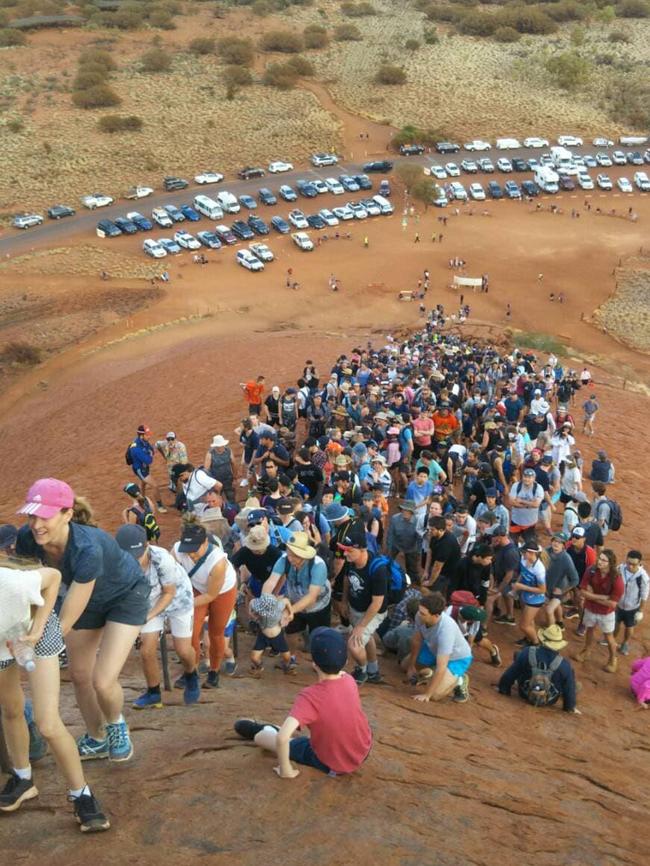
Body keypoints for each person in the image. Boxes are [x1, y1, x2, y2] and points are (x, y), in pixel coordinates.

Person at [16, 479, 150, 763]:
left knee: (102, 681)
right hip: (88, 602)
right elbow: (28, 585)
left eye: (45, 516)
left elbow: (68, 616)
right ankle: (96, 736)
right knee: (79, 676)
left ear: (67, 514)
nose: (37, 524)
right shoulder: (28, 540)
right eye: (32, 515)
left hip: (124, 596)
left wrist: (39, 640)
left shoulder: (88, 547)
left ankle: (115, 723)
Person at [0, 559, 110, 831]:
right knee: (11, 709)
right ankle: (23, 779)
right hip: (3, 639)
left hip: (36, 627)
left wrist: (36, 629)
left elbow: (53, 576)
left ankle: (81, 793)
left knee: (47, 723)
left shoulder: (10, 583)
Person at [233, 627, 372, 777]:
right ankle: (277, 730)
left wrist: (286, 770)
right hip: (363, 750)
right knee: (308, 737)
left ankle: (264, 730)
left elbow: (282, 737)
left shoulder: (310, 697)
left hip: (331, 763)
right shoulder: (350, 681)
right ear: (345, 661)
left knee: (262, 738)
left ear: (314, 664)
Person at [115, 524, 199, 708]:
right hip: (149, 600)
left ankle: (191, 674)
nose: (133, 560)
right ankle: (154, 692)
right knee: (146, 650)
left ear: (146, 546)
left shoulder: (162, 558)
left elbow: (169, 593)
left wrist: (146, 617)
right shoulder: (118, 562)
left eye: (136, 555)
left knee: (183, 649)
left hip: (178, 598)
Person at [172, 523, 238, 690]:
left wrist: (183, 603)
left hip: (222, 592)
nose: (191, 554)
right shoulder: (177, 551)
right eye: (188, 549)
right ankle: (190, 671)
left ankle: (214, 671)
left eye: (195, 549)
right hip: (196, 587)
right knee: (191, 632)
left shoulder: (218, 563)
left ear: (205, 544)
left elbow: (211, 595)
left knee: (216, 633)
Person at [263, 532, 331, 657]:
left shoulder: (318, 565)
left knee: (319, 635)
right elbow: (271, 581)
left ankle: (320, 662)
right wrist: (264, 601)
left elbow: (311, 597)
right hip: (294, 600)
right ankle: (291, 657)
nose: (291, 558)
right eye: (289, 554)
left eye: (295, 556)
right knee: (291, 633)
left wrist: (290, 611)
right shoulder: (284, 560)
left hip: (318, 606)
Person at [338, 520, 390, 685]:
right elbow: (347, 579)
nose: (345, 554)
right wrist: (344, 601)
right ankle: (373, 671)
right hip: (356, 607)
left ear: (362, 550)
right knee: (365, 639)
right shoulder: (352, 561)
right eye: (344, 550)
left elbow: (377, 603)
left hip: (373, 612)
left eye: (349, 551)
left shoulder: (377, 569)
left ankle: (362, 670)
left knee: (354, 644)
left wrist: (361, 626)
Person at [406, 593, 473, 703]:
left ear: (436, 615)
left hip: (455, 658)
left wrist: (427, 694)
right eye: (419, 610)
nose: (419, 614)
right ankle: (431, 672)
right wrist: (411, 666)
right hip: (434, 649)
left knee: (435, 695)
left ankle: (459, 680)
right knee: (405, 665)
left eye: (423, 613)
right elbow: (416, 640)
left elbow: (442, 666)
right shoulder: (420, 615)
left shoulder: (446, 630)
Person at [498, 624, 579, 713]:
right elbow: (569, 690)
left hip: (524, 693)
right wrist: (569, 707)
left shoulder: (528, 651)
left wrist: (503, 689)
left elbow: (510, 674)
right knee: (569, 677)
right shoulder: (564, 664)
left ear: (542, 639)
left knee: (519, 656)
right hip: (549, 700)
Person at [576, 549, 623, 673]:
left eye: (603, 560)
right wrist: (602, 597)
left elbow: (612, 603)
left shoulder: (617, 580)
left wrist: (591, 596)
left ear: (610, 563)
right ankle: (587, 650)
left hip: (606, 613)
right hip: (590, 608)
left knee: (608, 636)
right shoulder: (591, 570)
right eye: (599, 558)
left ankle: (613, 658)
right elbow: (582, 591)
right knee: (589, 629)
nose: (599, 562)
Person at [248, 593, 295, 677]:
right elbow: (251, 602)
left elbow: (287, 601)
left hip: (277, 636)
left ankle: (286, 667)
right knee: (254, 658)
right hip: (263, 635)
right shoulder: (257, 604)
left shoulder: (278, 606)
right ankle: (259, 666)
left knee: (287, 657)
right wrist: (250, 614)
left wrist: (291, 613)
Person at [614, 550, 648, 656]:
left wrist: (640, 611)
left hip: (632, 607)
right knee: (615, 623)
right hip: (618, 604)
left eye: (634, 564)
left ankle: (625, 643)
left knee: (629, 627)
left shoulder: (643, 577)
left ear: (639, 563)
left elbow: (644, 595)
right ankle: (611, 639)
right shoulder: (620, 568)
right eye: (628, 563)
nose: (630, 566)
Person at [126, 425, 167, 513]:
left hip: (144, 467)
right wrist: (150, 454)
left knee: (143, 484)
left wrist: (150, 453)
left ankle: (141, 503)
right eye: (147, 434)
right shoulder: (136, 448)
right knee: (155, 485)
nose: (149, 436)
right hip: (140, 470)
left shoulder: (144, 442)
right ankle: (160, 506)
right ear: (141, 435)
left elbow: (151, 449)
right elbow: (149, 460)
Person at [544, 532, 579, 629]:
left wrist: (562, 591)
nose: (556, 544)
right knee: (555, 604)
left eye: (559, 542)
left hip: (560, 589)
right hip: (548, 587)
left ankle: (550, 633)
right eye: (555, 541)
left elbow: (575, 580)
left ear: (564, 546)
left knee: (549, 610)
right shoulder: (546, 551)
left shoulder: (566, 559)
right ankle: (560, 622)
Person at [424, 515, 461, 596]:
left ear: (441, 530)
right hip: (437, 567)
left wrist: (430, 582)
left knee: (434, 595)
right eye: (429, 529)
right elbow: (429, 552)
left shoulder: (446, 544)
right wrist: (426, 570)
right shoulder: (434, 535)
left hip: (446, 574)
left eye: (432, 529)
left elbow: (437, 567)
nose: (429, 531)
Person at [386, 500, 421, 580]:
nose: (404, 512)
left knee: (412, 569)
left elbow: (419, 539)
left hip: (411, 547)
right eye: (403, 510)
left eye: (407, 510)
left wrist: (418, 553)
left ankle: (412, 583)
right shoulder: (395, 519)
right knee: (387, 561)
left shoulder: (417, 521)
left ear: (412, 512)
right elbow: (390, 535)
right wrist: (389, 549)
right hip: (396, 544)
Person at [508, 468, 544, 544]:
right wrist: (529, 505)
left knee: (529, 544)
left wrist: (521, 501)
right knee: (512, 543)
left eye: (529, 477)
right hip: (516, 521)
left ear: (534, 478)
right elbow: (511, 502)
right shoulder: (516, 486)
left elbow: (536, 504)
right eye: (525, 476)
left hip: (530, 523)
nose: (527, 479)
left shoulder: (538, 488)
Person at [204, 434, 236, 503]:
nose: (222, 447)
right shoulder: (210, 454)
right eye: (219, 446)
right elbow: (206, 470)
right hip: (216, 482)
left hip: (228, 479)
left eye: (222, 445)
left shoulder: (228, 451)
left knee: (231, 498)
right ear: (216, 446)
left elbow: (233, 464)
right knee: (217, 500)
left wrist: (235, 478)